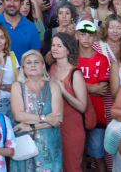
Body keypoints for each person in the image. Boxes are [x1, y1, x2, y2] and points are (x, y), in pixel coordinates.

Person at [9, 49, 63, 172]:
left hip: (50, 145)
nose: (32, 65)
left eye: (36, 62)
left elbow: (57, 120)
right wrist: (46, 118)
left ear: (43, 66)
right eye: (28, 62)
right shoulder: (17, 87)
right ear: (23, 67)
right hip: (26, 146)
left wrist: (31, 127)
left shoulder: (53, 86)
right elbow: (19, 116)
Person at [48, 33, 86, 172]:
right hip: (54, 126)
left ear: (68, 49)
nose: (55, 48)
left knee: (72, 167)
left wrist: (64, 91)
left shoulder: (75, 73)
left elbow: (82, 106)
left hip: (71, 128)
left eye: (59, 45)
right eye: (53, 45)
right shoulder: (51, 68)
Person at [75, 21, 109, 172]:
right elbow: (68, 87)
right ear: (76, 35)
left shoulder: (102, 59)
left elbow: (102, 88)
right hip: (75, 114)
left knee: (97, 154)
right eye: (82, 34)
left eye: (90, 35)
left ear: (95, 37)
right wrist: (91, 87)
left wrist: (79, 86)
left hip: (97, 115)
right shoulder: (71, 59)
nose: (86, 38)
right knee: (79, 155)